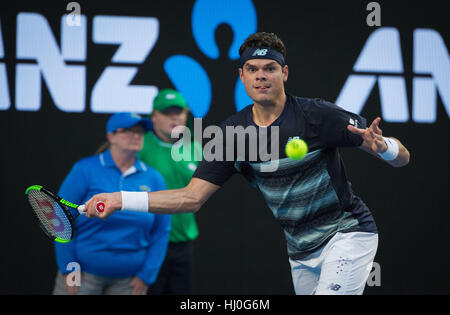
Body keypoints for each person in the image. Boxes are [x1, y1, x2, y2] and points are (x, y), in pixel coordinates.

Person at [83, 32, 410, 295]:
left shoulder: (317, 115)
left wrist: (385, 148)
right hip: (301, 252)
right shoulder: (232, 135)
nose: (261, 76)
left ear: (284, 73)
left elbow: (402, 158)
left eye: (269, 69)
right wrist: (119, 199)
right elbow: (190, 198)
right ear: (242, 76)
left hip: (348, 234)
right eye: (252, 69)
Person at [53, 112, 170, 295]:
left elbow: (162, 231)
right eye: (128, 131)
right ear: (111, 136)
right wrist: (69, 268)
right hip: (82, 277)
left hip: (129, 282)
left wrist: (147, 275)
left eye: (140, 131)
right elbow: (59, 219)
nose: (136, 135)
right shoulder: (85, 169)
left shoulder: (154, 178)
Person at [139, 89, 202, 295]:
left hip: (183, 245)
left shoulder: (195, 148)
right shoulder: (138, 145)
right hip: (146, 243)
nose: (174, 118)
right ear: (154, 116)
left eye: (179, 112)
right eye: (167, 113)